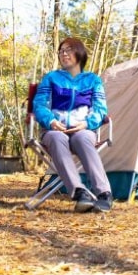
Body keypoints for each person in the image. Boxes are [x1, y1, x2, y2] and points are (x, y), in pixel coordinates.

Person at [32, 37, 113, 213]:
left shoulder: (93, 80)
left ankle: (104, 194)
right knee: (56, 137)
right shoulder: (51, 78)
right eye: (61, 51)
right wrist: (51, 121)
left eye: (68, 50)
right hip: (55, 128)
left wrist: (86, 124)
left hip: (82, 129)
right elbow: (39, 105)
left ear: (79, 53)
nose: (64, 54)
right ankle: (79, 192)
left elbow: (100, 109)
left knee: (83, 139)